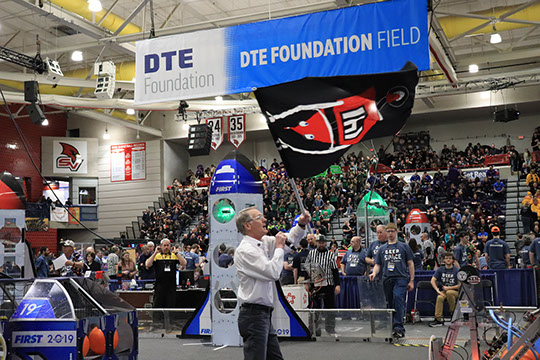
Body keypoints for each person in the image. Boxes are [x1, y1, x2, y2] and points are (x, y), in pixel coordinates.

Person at [235, 207, 309, 360]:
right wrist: (280, 248)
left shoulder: (262, 243)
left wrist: (301, 225)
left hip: (262, 314)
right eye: (259, 217)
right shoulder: (246, 250)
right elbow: (273, 272)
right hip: (254, 315)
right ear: (247, 225)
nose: (264, 220)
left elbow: (289, 239)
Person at [369, 223, 414, 338]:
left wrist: (412, 280)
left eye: (392, 231)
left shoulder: (404, 246)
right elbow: (378, 264)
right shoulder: (382, 249)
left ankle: (399, 327)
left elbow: (410, 263)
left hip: (401, 278)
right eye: (388, 231)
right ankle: (392, 325)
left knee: (398, 298)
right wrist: (374, 273)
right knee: (389, 302)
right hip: (387, 278)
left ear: (396, 232)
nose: (390, 233)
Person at [305, 235, 341, 336]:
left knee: (330, 307)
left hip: (328, 284)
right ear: (317, 243)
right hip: (315, 284)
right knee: (314, 307)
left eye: (322, 242)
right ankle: (313, 328)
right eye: (319, 242)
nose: (321, 244)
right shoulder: (311, 254)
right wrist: (306, 282)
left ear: (325, 243)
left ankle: (330, 328)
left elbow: (335, 271)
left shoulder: (330, 255)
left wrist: (337, 285)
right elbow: (306, 269)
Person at [146, 239, 187, 311]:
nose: (166, 247)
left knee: (171, 305)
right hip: (159, 285)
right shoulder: (157, 256)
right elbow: (147, 264)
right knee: (158, 305)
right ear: (160, 246)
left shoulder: (174, 255)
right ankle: (157, 321)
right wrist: (155, 252)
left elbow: (184, 263)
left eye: (168, 245)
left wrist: (176, 253)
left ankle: (170, 321)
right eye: (164, 245)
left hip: (171, 285)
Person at [429, 252, 460, 327]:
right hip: (444, 291)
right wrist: (437, 290)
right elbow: (432, 280)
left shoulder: (457, 270)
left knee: (449, 292)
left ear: (453, 260)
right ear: (444, 260)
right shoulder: (440, 269)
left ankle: (453, 314)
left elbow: (460, 285)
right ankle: (438, 319)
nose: (448, 260)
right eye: (446, 258)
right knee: (439, 297)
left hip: (455, 292)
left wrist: (449, 288)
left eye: (450, 258)